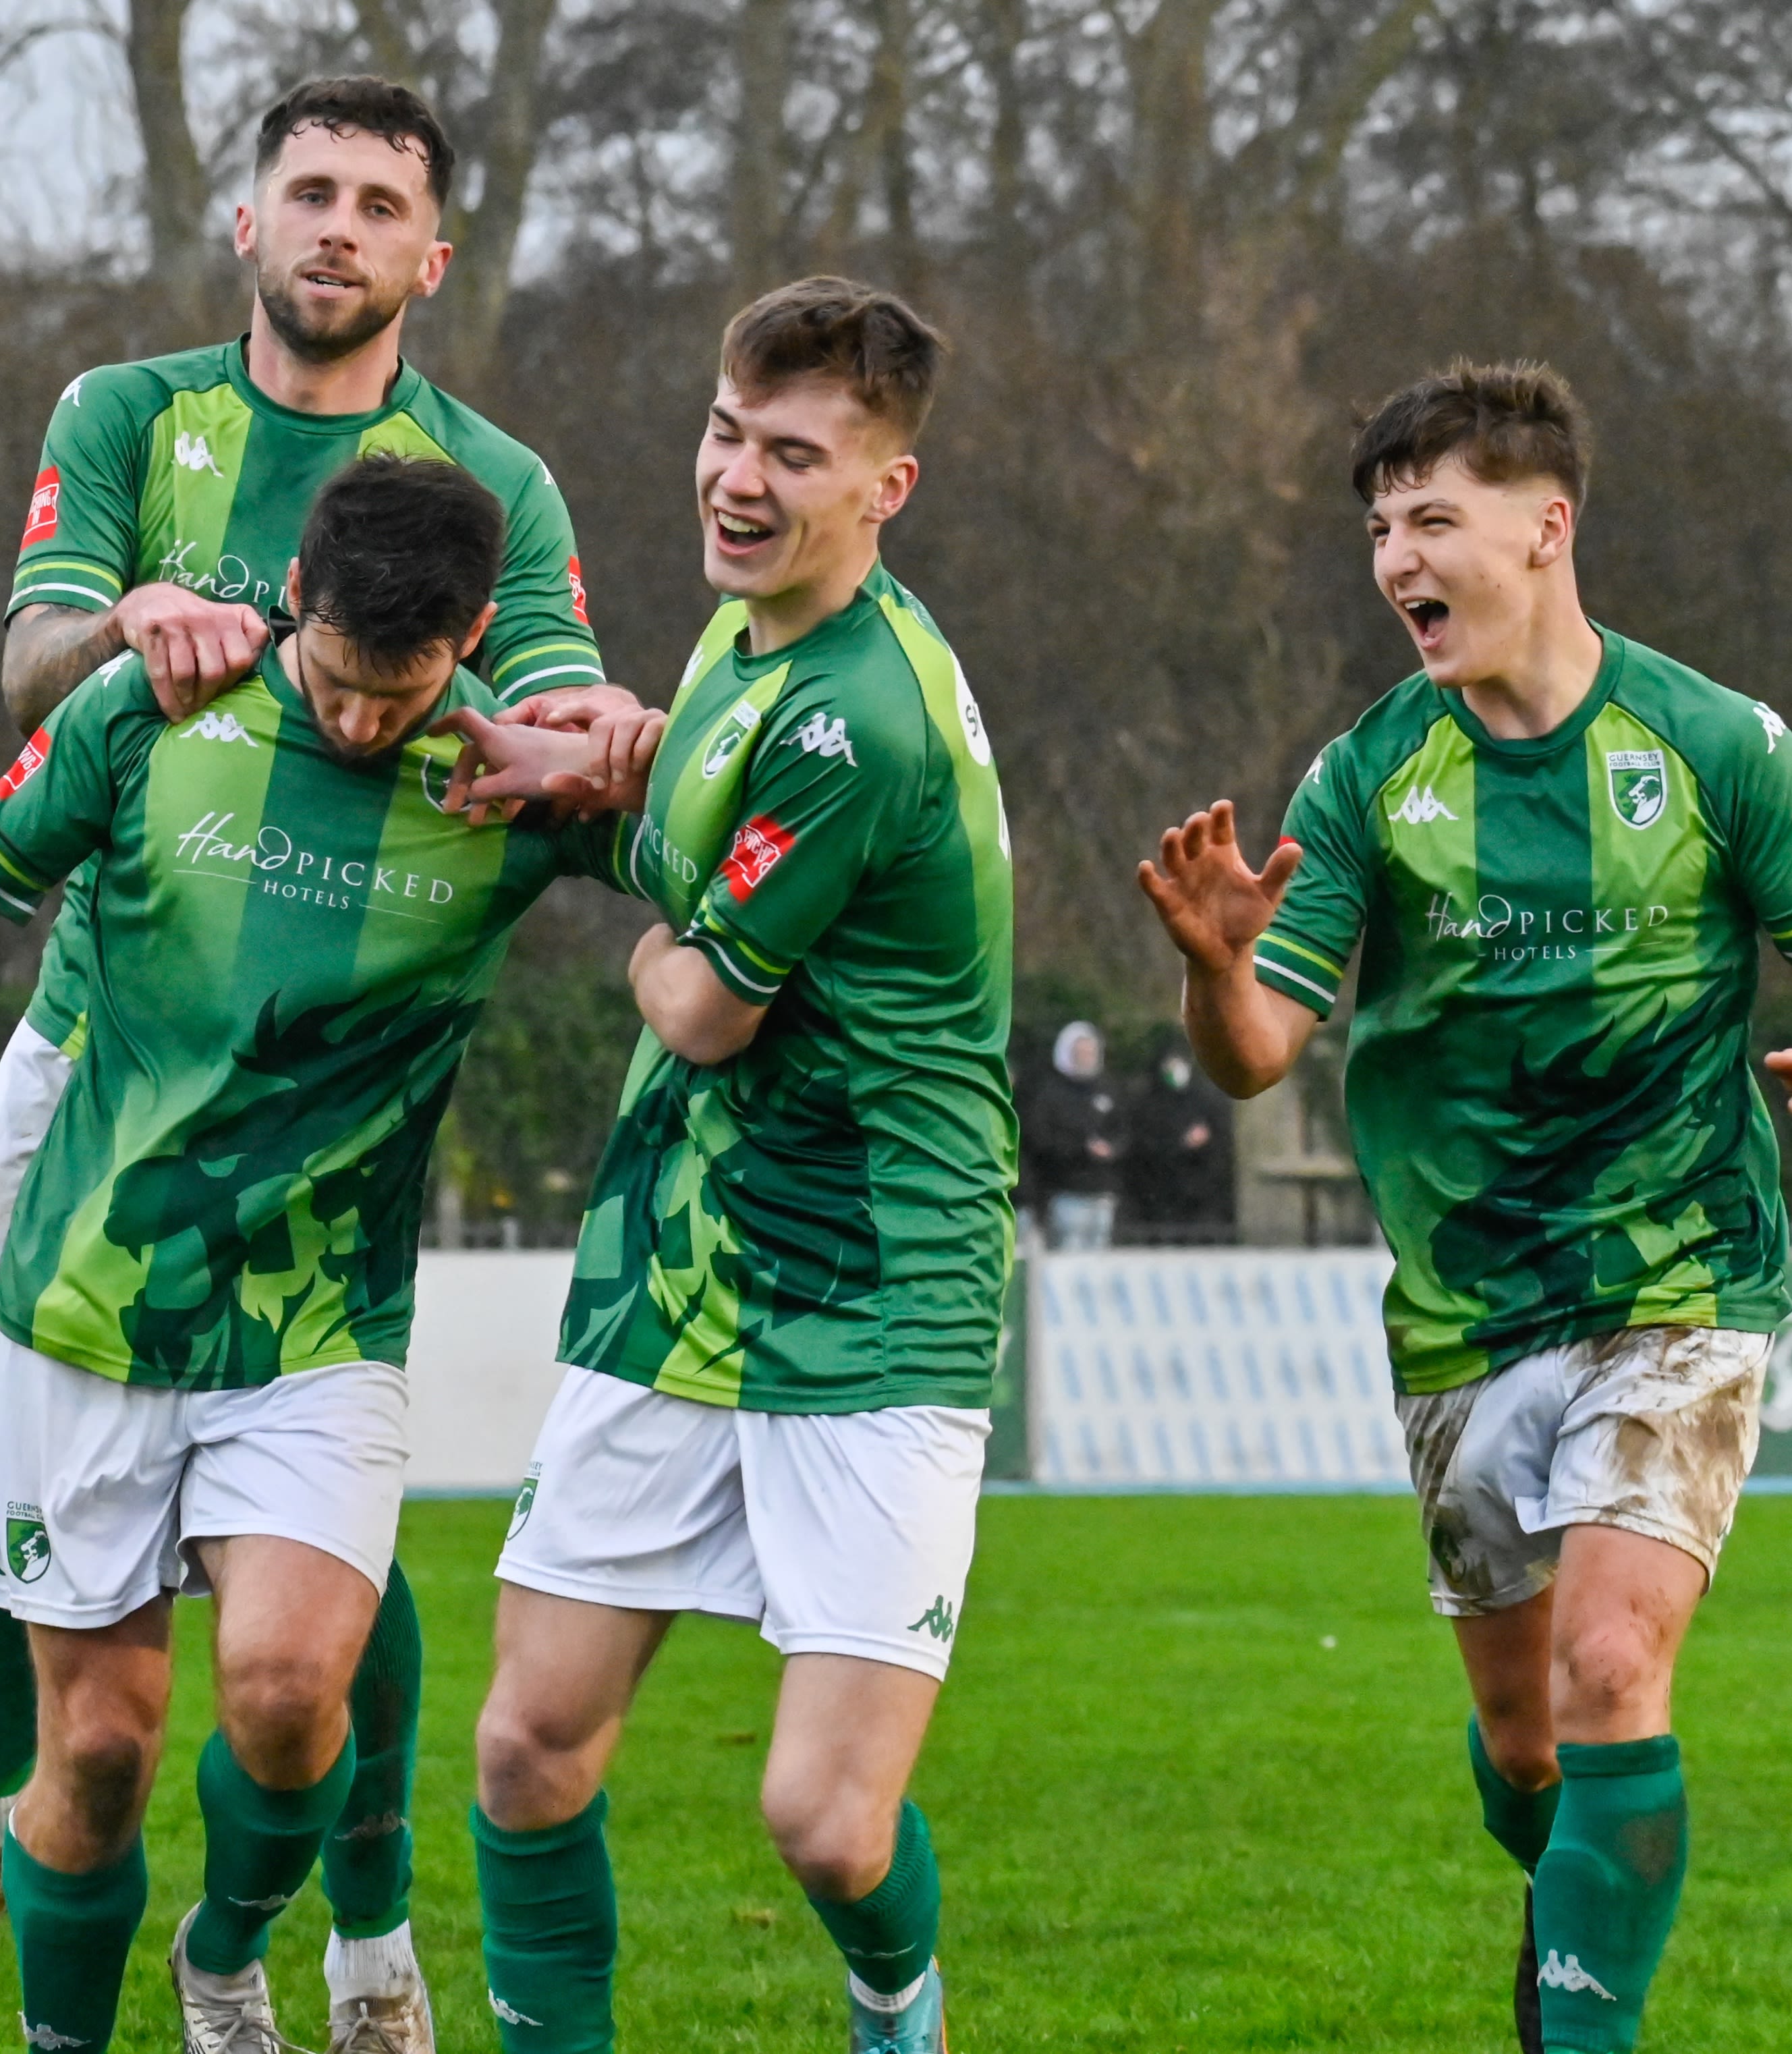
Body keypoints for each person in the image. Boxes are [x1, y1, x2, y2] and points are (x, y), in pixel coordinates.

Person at [0, 74, 634, 2041]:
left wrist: (608, 738)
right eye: (311, 191)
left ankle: (354, 1930)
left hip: (333, 1048)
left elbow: (551, 711)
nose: (341, 226)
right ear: (251, 222)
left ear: (431, 256)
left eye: (382, 202)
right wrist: (127, 616)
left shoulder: (493, 485)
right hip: (100, 1020)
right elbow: (31, 671)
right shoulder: (130, 413)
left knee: (312, 1585)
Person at [1137, 360, 1792, 2054]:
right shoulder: (1366, 778)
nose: (1398, 557)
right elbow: (1260, 1050)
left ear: (1546, 528)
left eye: (1435, 519)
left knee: (1617, 1669)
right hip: (1465, 1307)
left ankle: (1583, 2030)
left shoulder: (1714, 742)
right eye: (1379, 529)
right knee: (1531, 1750)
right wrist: (1209, 970)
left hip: (1681, 1272)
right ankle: (1564, 1910)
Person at [460, 279, 1013, 2054]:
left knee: (826, 1821)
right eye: (725, 433)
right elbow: (689, 829)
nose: (739, 480)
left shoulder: (863, 715)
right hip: (678, 1275)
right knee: (529, 1742)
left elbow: (698, 1002)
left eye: (794, 454)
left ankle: (898, 2003)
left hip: (873, 1293)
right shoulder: (744, 638)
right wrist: (589, 780)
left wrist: (631, 907)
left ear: (886, 488)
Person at [1022, 1020, 1124, 1248]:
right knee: (1069, 1257)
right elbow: (1040, 1139)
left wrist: (1112, 1148)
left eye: (1090, 1052)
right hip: (1066, 1193)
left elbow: (1123, 1131)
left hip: (1102, 1193)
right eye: (1080, 1052)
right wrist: (1080, 1148)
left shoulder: (1107, 1090)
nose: (1087, 1057)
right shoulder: (1051, 1094)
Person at [1120, 1034, 1233, 1229]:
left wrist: (1204, 1143)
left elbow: (1221, 1141)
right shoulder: (1147, 1103)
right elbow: (1142, 1146)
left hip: (1202, 1194)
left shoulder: (1206, 1099)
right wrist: (1179, 1145)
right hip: (1159, 1194)